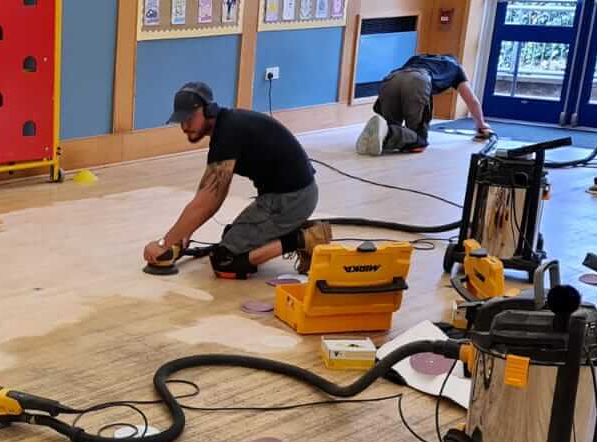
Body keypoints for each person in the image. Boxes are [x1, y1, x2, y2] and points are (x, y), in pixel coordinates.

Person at [142, 82, 330, 280]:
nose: (184, 126)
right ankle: (295, 231)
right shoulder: (228, 125)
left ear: (208, 110)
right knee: (231, 236)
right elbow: (205, 194)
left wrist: (165, 244)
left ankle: (305, 238)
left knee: (226, 261)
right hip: (289, 195)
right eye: (181, 120)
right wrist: (183, 235)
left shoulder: (227, 135)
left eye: (190, 118)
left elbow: (209, 201)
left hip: (290, 199)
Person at [357, 54, 493, 156]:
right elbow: (472, 101)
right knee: (419, 141)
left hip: (392, 79)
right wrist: (481, 125)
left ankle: (379, 134)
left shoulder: (418, 57)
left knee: (392, 126)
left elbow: (405, 74)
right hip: (417, 81)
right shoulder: (456, 68)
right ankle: (387, 133)